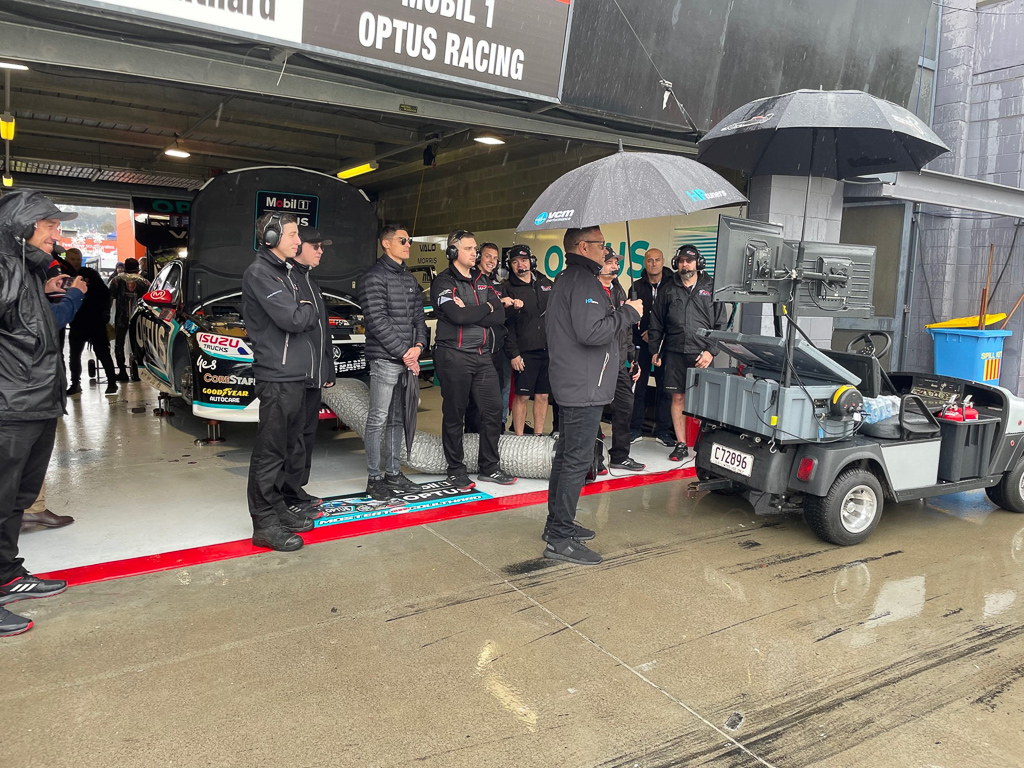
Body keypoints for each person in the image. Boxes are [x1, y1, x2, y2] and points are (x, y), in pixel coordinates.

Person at [0, 189, 88, 638]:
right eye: (50, 225)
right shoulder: (5, 269)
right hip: (10, 404)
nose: (59, 234)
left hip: (35, 400)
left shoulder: (28, 273)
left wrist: (47, 291)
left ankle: (7, 575)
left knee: (17, 498)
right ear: (22, 228)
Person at [543, 226, 643, 565]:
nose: (606, 250)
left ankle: (557, 525)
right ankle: (559, 539)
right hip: (582, 385)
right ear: (583, 246)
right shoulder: (583, 282)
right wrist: (628, 312)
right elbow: (592, 332)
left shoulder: (568, 278)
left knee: (566, 457)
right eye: (601, 245)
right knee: (575, 461)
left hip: (577, 381)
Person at [242, 212, 321, 552]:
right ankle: (263, 522)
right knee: (270, 453)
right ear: (272, 237)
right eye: (291, 235)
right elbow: (293, 317)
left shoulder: (285, 273)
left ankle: (276, 508)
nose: (297, 241)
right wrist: (305, 308)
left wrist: (304, 308)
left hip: (295, 376)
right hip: (277, 376)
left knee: (289, 449)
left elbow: (304, 311)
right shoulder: (260, 273)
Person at [430, 230, 516, 491]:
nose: (474, 253)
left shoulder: (483, 280)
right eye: (468, 248)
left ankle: (489, 466)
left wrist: (478, 311)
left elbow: (499, 315)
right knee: (454, 414)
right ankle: (455, 469)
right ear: (453, 252)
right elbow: (456, 316)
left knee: (491, 412)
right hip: (453, 356)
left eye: (474, 248)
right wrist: (484, 308)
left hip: (482, 356)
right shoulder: (443, 282)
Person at [357, 223, 428, 501]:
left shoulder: (409, 279)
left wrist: (419, 346)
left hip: (406, 359)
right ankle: (374, 479)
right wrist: (404, 353)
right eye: (402, 240)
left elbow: (419, 318)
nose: (408, 244)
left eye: (409, 240)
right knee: (378, 418)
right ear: (386, 244)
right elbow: (377, 321)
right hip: (386, 360)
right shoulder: (372, 278)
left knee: (399, 418)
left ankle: (394, 473)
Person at [649, 244, 726, 462]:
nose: (685, 264)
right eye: (681, 260)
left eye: (689, 261)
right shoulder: (668, 288)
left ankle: (703, 444)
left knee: (703, 401)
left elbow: (720, 325)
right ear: (676, 263)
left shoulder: (711, 288)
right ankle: (681, 445)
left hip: (702, 354)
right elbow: (656, 321)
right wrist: (655, 348)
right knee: (677, 396)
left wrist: (711, 352)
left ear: (698, 263)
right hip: (674, 352)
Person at [281, 226, 336, 514]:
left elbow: (322, 330)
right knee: (292, 437)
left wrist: (328, 368)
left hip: (314, 375)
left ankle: (297, 488)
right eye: (315, 245)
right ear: (298, 246)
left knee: (307, 435)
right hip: (295, 376)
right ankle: (287, 494)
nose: (320, 250)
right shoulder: (287, 279)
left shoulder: (310, 282)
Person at [598, 248, 645, 472]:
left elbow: (626, 329)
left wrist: (632, 359)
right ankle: (594, 458)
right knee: (594, 411)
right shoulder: (592, 289)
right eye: (610, 262)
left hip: (618, 362)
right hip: (597, 363)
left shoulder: (618, 288)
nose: (615, 266)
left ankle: (620, 455)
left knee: (625, 406)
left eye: (616, 262)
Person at [466, 242, 519, 433]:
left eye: (495, 258)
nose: (492, 261)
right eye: (488, 256)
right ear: (479, 256)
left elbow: (500, 318)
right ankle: (471, 434)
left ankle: (495, 432)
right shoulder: (470, 280)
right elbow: (474, 314)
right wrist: (497, 305)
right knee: (473, 397)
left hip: (496, 349)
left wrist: (512, 308)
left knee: (495, 395)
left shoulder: (498, 285)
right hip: (475, 348)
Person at [503, 244, 554, 436]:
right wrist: (514, 354)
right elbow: (506, 325)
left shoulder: (546, 283)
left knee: (543, 395)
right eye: (515, 262)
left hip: (547, 350)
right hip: (524, 352)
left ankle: (538, 436)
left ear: (531, 262)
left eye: (523, 260)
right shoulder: (508, 289)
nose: (520, 265)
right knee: (522, 395)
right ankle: (519, 437)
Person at [629, 248, 674, 445]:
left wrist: (658, 335)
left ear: (663, 261)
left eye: (657, 260)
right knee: (638, 386)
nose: (653, 264)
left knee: (666, 388)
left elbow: (677, 313)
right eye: (649, 260)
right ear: (645, 263)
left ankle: (663, 431)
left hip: (665, 343)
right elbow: (629, 315)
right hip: (641, 342)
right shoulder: (635, 286)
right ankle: (635, 429)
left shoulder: (673, 285)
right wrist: (643, 333)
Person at [64, 248, 118, 397]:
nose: (75, 262)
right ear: (67, 259)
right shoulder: (64, 276)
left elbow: (106, 293)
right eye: (72, 259)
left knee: (103, 353)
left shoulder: (90, 275)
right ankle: (75, 384)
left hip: (95, 321)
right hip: (77, 322)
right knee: (74, 356)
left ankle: (112, 382)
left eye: (77, 259)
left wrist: (105, 314)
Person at [109, 257, 150, 382]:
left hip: (121, 316)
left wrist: (106, 316)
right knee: (139, 344)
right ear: (137, 267)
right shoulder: (145, 282)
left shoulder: (116, 280)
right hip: (139, 317)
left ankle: (122, 372)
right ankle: (138, 372)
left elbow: (109, 299)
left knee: (119, 344)